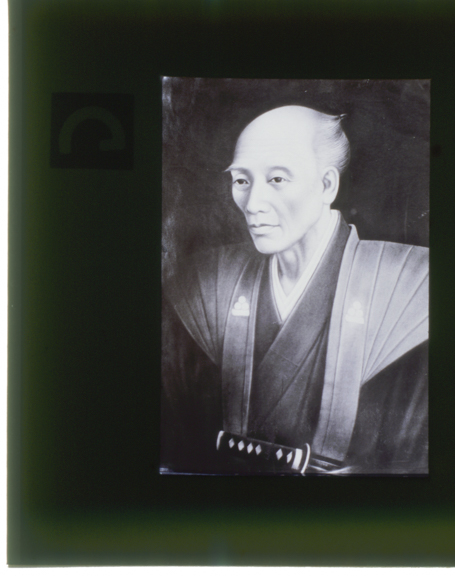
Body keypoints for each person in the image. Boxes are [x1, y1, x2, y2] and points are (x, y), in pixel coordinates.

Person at [164, 105, 429, 475]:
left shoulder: (414, 286)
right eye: (241, 180)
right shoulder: (205, 284)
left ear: (327, 185)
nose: (253, 204)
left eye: (277, 179)